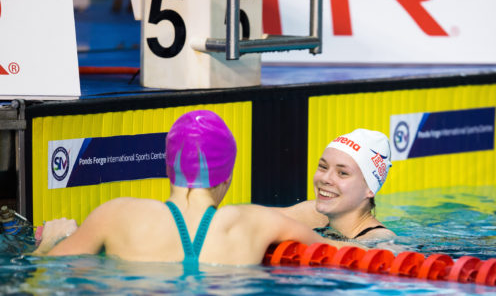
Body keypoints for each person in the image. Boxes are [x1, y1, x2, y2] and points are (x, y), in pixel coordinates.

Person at [33, 110, 364, 265]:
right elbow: (344, 254)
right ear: (228, 177)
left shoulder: (116, 214)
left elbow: (42, 275)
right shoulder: (256, 222)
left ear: (167, 167)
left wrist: (49, 242)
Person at [276, 129, 396, 241]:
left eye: (343, 173)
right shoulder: (314, 215)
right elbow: (261, 217)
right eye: (323, 167)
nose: (325, 178)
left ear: (370, 188)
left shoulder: (381, 241)